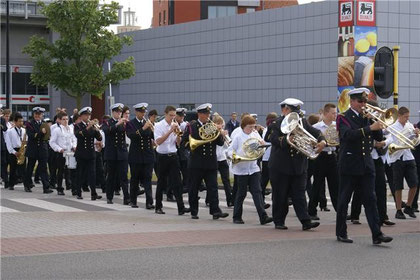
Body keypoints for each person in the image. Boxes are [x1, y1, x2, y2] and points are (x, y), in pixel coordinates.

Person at [335, 87, 392, 244]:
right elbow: (347, 135)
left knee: (370, 200)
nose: (363, 104)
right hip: (349, 164)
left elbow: (377, 137)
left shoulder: (368, 117)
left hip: (367, 165)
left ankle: (377, 234)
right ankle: (341, 232)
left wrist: (377, 122)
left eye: (365, 101)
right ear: (352, 101)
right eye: (360, 101)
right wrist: (369, 128)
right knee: (344, 199)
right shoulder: (343, 117)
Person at [267, 98, 324, 231]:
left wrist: (322, 141)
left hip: (299, 166)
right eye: (293, 111)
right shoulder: (276, 123)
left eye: (297, 112)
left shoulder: (302, 121)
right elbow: (272, 139)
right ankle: (279, 221)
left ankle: (305, 221)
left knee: (299, 195)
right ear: (285, 109)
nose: (296, 114)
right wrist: (287, 140)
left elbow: (315, 132)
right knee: (280, 195)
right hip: (280, 166)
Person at [182, 103, 228, 220]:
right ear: (199, 114)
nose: (207, 116)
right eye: (205, 114)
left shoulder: (212, 125)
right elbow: (185, 143)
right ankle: (194, 211)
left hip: (211, 162)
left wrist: (221, 134)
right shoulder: (191, 126)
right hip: (196, 163)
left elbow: (220, 143)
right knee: (194, 188)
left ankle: (215, 211)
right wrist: (210, 131)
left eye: (208, 114)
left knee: (213, 187)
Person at [228, 115, 273, 225]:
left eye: (253, 127)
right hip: (241, 168)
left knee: (257, 192)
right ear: (243, 126)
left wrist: (262, 144)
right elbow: (230, 150)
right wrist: (234, 156)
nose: (252, 129)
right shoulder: (238, 136)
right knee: (241, 193)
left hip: (253, 167)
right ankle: (237, 217)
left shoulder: (255, 134)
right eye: (249, 127)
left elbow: (260, 144)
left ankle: (263, 217)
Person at [153, 105, 190, 215]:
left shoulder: (176, 124)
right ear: (165, 114)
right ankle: (158, 207)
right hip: (162, 156)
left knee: (177, 182)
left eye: (174, 116)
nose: (172, 118)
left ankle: (181, 207)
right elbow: (158, 142)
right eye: (170, 116)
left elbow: (178, 143)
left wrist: (178, 134)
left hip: (173, 155)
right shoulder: (159, 125)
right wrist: (170, 131)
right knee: (161, 182)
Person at [385, 106, 418, 219]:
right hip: (397, 158)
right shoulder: (392, 127)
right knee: (398, 186)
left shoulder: (409, 126)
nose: (407, 119)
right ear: (399, 116)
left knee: (414, 184)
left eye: (408, 117)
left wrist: (417, 135)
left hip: (409, 157)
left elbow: (414, 142)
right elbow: (389, 139)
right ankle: (398, 210)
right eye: (405, 117)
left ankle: (408, 206)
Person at [308, 104, 339, 220]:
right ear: (326, 114)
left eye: (336, 113)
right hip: (320, 157)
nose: (335, 115)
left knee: (335, 185)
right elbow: (311, 143)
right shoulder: (316, 127)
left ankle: (340, 211)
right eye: (333, 113)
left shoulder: (337, 126)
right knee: (317, 185)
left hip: (332, 157)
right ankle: (311, 211)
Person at [126, 103, 155, 210]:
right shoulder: (131, 124)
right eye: (141, 112)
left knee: (148, 179)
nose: (143, 114)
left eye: (144, 112)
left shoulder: (148, 123)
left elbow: (153, 137)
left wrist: (153, 130)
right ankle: (133, 200)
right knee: (135, 179)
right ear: (136, 112)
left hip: (147, 155)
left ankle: (149, 202)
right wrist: (143, 128)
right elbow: (132, 136)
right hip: (136, 156)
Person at [102, 103, 130, 204]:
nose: (119, 114)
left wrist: (126, 123)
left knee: (124, 176)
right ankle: (109, 197)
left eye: (120, 112)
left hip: (122, 152)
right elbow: (106, 131)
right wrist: (117, 124)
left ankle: (127, 197)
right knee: (111, 176)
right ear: (113, 112)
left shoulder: (124, 122)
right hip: (111, 153)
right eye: (117, 112)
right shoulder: (107, 122)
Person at [73, 107, 103, 200]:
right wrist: (88, 127)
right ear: (81, 116)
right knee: (80, 173)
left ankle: (93, 193)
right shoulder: (77, 126)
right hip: (81, 153)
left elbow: (99, 138)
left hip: (91, 153)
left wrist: (97, 130)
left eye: (89, 115)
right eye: (86, 115)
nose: (88, 117)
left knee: (92, 174)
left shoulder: (93, 127)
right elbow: (79, 135)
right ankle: (78, 192)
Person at [24, 107, 53, 193]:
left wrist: (43, 134)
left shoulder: (44, 124)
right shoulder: (29, 124)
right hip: (33, 148)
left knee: (43, 168)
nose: (37, 116)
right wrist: (41, 133)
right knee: (30, 167)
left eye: (39, 114)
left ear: (42, 115)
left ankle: (46, 187)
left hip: (42, 148)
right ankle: (27, 184)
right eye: (36, 114)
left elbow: (47, 136)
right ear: (33, 115)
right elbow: (32, 135)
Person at [49, 112, 77, 195]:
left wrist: (74, 146)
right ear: (59, 120)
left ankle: (74, 188)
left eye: (67, 119)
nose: (66, 121)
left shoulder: (71, 129)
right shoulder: (57, 130)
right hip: (62, 152)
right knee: (61, 171)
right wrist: (59, 149)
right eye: (63, 119)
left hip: (70, 152)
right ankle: (60, 188)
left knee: (72, 171)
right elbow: (52, 142)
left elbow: (74, 139)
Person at [213, 115, 233, 207]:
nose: (220, 125)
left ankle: (230, 200)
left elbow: (226, 146)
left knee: (226, 180)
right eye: (218, 123)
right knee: (213, 181)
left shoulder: (223, 133)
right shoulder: (212, 133)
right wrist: (220, 135)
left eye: (221, 124)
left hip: (222, 158)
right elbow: (218, 144)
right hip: (214, 159)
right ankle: (209, 200)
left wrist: (225, 137)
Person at [261, 112, 278, 208]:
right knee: (264, 181)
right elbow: (266, 141)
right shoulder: (266, 130)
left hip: (274, 158)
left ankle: (275, 200)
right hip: (267, 158)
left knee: (274, 181)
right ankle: (261, 200)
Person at [5, 113, 26, 190]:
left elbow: (26, 141)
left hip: (22, 150)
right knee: (13, 169)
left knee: (23, 169)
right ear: (15, 122)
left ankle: (26, 185)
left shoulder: (24, 130)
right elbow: (8, 144)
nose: (21, 123)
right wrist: (14, 152)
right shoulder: (9, 131)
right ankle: (11, 184)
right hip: (14, 151)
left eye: (22, 121)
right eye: (20, 121)